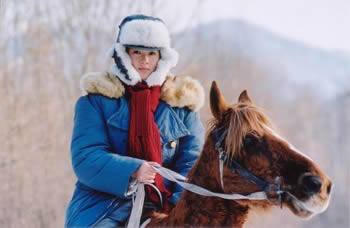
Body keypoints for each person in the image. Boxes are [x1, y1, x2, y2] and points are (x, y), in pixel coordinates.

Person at [65, 14, 205, 227]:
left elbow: (192, 162)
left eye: (151, 53)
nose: (144, 60)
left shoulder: (183, 106)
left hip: (167, 202)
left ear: (162, 57)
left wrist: (179, 206)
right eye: (137, 52)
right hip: (104, 206)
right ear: (123, 54)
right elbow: (86, 157)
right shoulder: (95, 101)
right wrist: (133, 170)